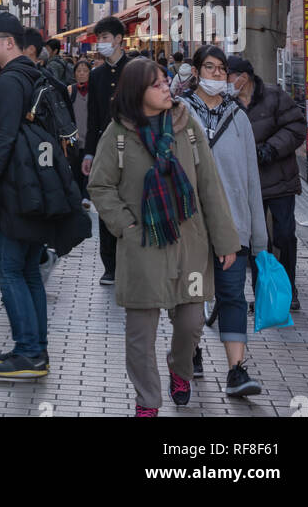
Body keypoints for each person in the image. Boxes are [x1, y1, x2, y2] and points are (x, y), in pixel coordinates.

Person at [88, 57, 240, 417]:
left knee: (190, 323)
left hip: (189, 241)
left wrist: (226, 240)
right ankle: (148, 401)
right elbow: (100, 185)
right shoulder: (118, 133)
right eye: (156, 83)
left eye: (165, 80)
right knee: (141, 335)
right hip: (143, 245)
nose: (165, 86)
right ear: (137, 92)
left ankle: (180, 368)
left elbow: (210, 186)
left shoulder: (187, 126)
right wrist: (125, 226)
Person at [0, 12, 57, 379]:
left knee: (9, 269)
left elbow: (4, 137)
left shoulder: (9, 81)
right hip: (39, 187)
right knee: (28, 270)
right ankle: (35, 347)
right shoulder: (37, 74)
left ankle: (29, 351)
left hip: (15, 189)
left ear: (8, 42)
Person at [181, 45, 267, 396]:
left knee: (232, 295)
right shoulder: (180, 113)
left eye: (222, 69)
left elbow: (251, 179)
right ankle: (192, 352)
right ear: (197, 72)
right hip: (191, 225)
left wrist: (258, 236)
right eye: (210, 68)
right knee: (191, 296)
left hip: (234, 226)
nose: (217, 75)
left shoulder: (239, 117)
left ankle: (236, 371)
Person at [227, 55, 306, 311]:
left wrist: (270, 149)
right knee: (257, 241)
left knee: (284, 235)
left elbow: (296, 127)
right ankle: (263, 293)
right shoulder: (227, 103)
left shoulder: (274, 95)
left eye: (228, 75)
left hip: (281, 180)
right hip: (249, 184)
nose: (225, 81)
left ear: (243, 77)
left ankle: (288, 290)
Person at [81, 15, 129, 285]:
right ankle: (109, 265)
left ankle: (128, 262)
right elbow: (92, 117)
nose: (101, 43)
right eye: (98, 39)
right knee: (106, 205)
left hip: (132, 148)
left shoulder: (135, 69)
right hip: (103, 149)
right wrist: (89, 153)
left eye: (105, 38)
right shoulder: (97, 75)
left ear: (119, 39)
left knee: (129, 202)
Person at [68, 57, 92, 207]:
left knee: (89, 167)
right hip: (75, 136)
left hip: (90, 136)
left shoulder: (95, 90)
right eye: (79, 71)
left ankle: (86, 196)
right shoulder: (70, 90)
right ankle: (78, 195)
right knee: (76, 167)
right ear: (74, 73)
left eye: (85, 70)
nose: (82, 73)